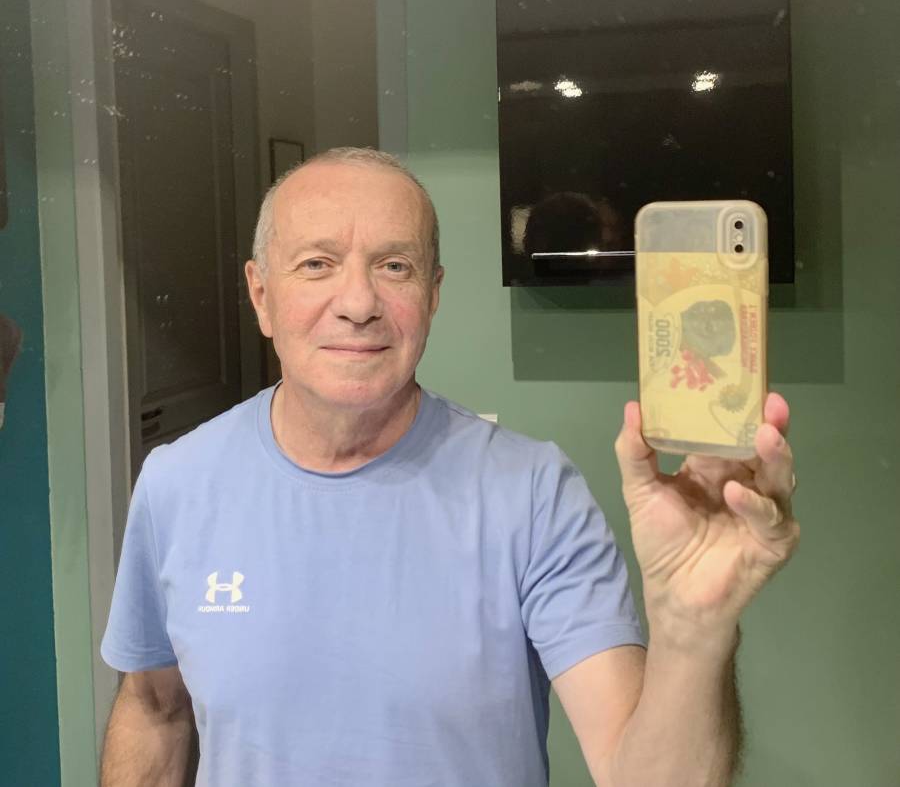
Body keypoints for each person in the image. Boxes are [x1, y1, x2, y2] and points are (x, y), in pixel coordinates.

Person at [100, 147, 799, 786]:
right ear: (261, 295)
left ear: (432, 295)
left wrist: (693, 631)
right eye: (316, 264)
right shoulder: (176, 483)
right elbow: (155, 710)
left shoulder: (533, 494)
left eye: (394, 266)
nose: (358, 304)